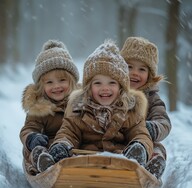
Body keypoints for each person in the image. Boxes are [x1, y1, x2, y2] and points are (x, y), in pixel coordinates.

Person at [37, 39, 154, 172]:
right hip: (84, 160)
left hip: (120, 162)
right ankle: (52, 163)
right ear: (88, 87)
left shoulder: (130, 110)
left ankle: (142, 163)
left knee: (146, 145)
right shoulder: (78, 109)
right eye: (98, 83)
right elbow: (68, 132)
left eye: (112, 83)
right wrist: (62, 144)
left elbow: (140, 133)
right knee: (60, 146)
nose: (105, 88)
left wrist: (140, 145)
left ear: (121, 88)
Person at [20, 39, 79, 175]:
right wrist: (31, 137)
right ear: (41, 86)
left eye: (62, 80)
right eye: (49, 82)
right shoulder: (39, 107)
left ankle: (74, 163)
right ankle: (42, 161)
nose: (56, 86)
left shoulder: (80, 102)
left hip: (71, 147)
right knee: (32, 149)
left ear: (72, 81)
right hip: (47, 146)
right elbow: (29, 127)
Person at [120, 36, 172, 179]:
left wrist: (151, 128)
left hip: (142, 141)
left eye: (142, 69)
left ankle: (149, 166)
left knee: (157, 147)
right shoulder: (111, 91)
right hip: (114, 140)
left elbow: (164, 122)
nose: (135, 72)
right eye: (129, 67)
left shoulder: (152, 99)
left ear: (149, 76)